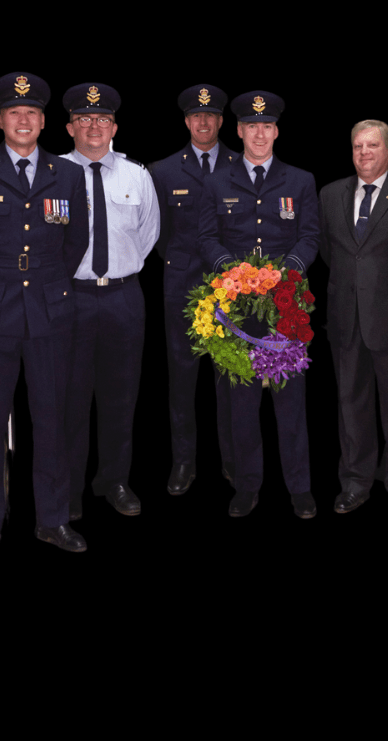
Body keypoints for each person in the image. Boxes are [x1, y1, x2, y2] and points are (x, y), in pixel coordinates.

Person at [0, 73, 88, 564]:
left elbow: (76, 241)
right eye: (14, 112)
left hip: (52, 310)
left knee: (52, 418)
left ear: (43, 122)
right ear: (0, 119)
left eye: (32, 113)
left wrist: (46, 278)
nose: (23, 120)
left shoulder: (69, 173)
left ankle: (53, 518)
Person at [198, 90, 320, 518]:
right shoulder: (216, 181)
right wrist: (233, 272)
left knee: (290, 400)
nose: (260, 133)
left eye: (267, 126)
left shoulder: (300, 179)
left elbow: (310, 236)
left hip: (285, 304)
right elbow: (206, 238)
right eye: (252, 126)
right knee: (241, 403)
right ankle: (247, 486)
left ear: (277, 130)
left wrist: (287, 271)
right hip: (237, 310)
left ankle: (300, 487)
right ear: (240, 131)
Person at [61, 83, 159, 519]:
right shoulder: (54, 173)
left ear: (115, 127)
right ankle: (69, 490)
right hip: (72, 300)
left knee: (121, 396)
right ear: (69, 127)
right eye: (84, 119)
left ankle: (115, 480)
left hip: (123, 297)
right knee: (71, 398)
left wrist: (118, 269)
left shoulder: (137, 174)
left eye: (102, 119)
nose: (93, 126)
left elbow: (148, 233)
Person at [319, 120, 388, 521]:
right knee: (351, 406)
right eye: (358, 146)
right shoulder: (331, 194)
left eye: (373, 145)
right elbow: (332, 252)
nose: (364, 153)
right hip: (345, 320)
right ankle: (355, 483)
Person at [149, 85, 236, 496]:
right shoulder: (163, 171)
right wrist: (183, 266)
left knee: (231, 379)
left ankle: (233, 459)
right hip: (181, 288)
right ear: (186, 122)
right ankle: (184, 461)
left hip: (232, 292)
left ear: (221, 122)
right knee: (182, 379)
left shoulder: (241, 166)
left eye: (211, 116)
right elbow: (158, 234)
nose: (203, 122)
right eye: (195, 116)